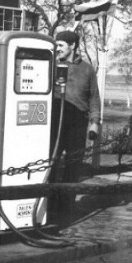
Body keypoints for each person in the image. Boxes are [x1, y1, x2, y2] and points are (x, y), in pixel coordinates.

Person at [49, 30, 101, 227]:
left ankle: (66, 207)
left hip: (77, 120)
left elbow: (94, 98)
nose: (57, 49)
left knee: (73, 164)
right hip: (55, 118)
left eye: (61, 45)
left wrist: (94, 122)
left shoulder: (87, 69)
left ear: (73, 46)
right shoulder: (52, 64)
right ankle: (49, 203)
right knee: (50, 161)